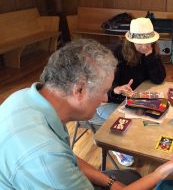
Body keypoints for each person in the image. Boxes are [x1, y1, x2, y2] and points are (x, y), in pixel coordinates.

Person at [0, 39, 144, 190]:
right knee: (134, 178)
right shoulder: (46, 156)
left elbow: (67, 157)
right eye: (103, 91)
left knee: (130, 177)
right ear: (79, 89)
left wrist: (110, 183)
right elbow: (54, 159)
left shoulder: (24, 96)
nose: (104, 98)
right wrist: (160, 173)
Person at [90, 17, 166, 166]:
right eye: (140, 43)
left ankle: (134, 142)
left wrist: (150, 56)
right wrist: (116, 89)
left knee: (156, 117)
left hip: (135, 98)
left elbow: (158, 78)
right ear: (131, 41)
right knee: (129, 123)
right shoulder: (116, 53)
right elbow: (99, 85)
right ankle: (117, 146)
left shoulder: (150, 50)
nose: (145, 46)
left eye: (148, 42)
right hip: (110, 100)